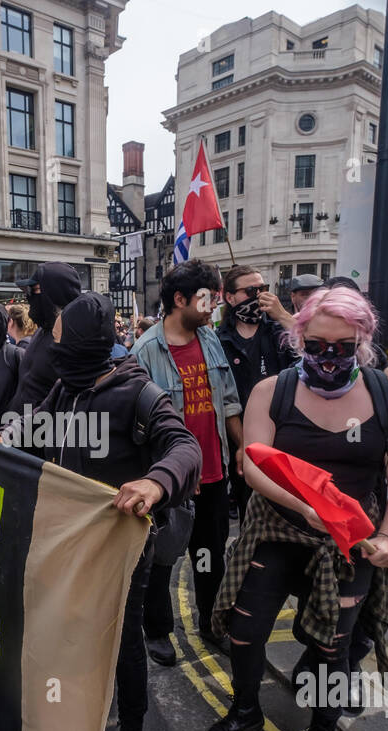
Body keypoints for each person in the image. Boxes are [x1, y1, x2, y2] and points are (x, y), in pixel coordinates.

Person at [0, 291, 202, 731]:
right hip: (70, 540)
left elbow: (186, 447)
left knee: (123, 644)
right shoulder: (67, 389)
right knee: (72, 630)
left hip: (123, 548)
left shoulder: (139, 394)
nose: (51, 349)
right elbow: (34, 429)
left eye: (59, 342)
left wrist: (154, 483)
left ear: (83, 346)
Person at [205, 285, 388, 731]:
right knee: (244, 631)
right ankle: (246, 708)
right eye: (317, 345)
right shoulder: (271, 391)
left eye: (343, 347)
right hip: (278, 527)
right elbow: (253, 463)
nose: (329, 357)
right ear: (299, 337)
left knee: (333, 648)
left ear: (362, 341)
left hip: (351, 539)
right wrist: (305, 507)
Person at [132, 259, 243, 664]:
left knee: (209, 556)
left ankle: (211, 625)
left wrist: (242, 449)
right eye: (205, 297)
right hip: (170, 482)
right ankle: (158, 631)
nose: (213, 305)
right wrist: (169, 475)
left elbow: (228, 400)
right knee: (162, 560)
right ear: (179, 300)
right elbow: (138, 427)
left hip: (214, 474)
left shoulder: (210, 339)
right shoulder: (143, 352)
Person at [217, 264, 292, 522]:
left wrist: (284, 316)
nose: (260, 296)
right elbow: (224, 399)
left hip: (283, 440)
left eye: (263, 289)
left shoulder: (278, 331)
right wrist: (243, 444)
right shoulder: (219, 340)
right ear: (230, 297)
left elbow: (311, 354)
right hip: (242, 445)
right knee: (250, 513)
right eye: (252, 290)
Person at [11, 262, 82, 412]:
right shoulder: (41, 331)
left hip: (45, 430)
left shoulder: (72, 339)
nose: (28, 296)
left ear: (55, 293)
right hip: (20, 428)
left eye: (35, 289)